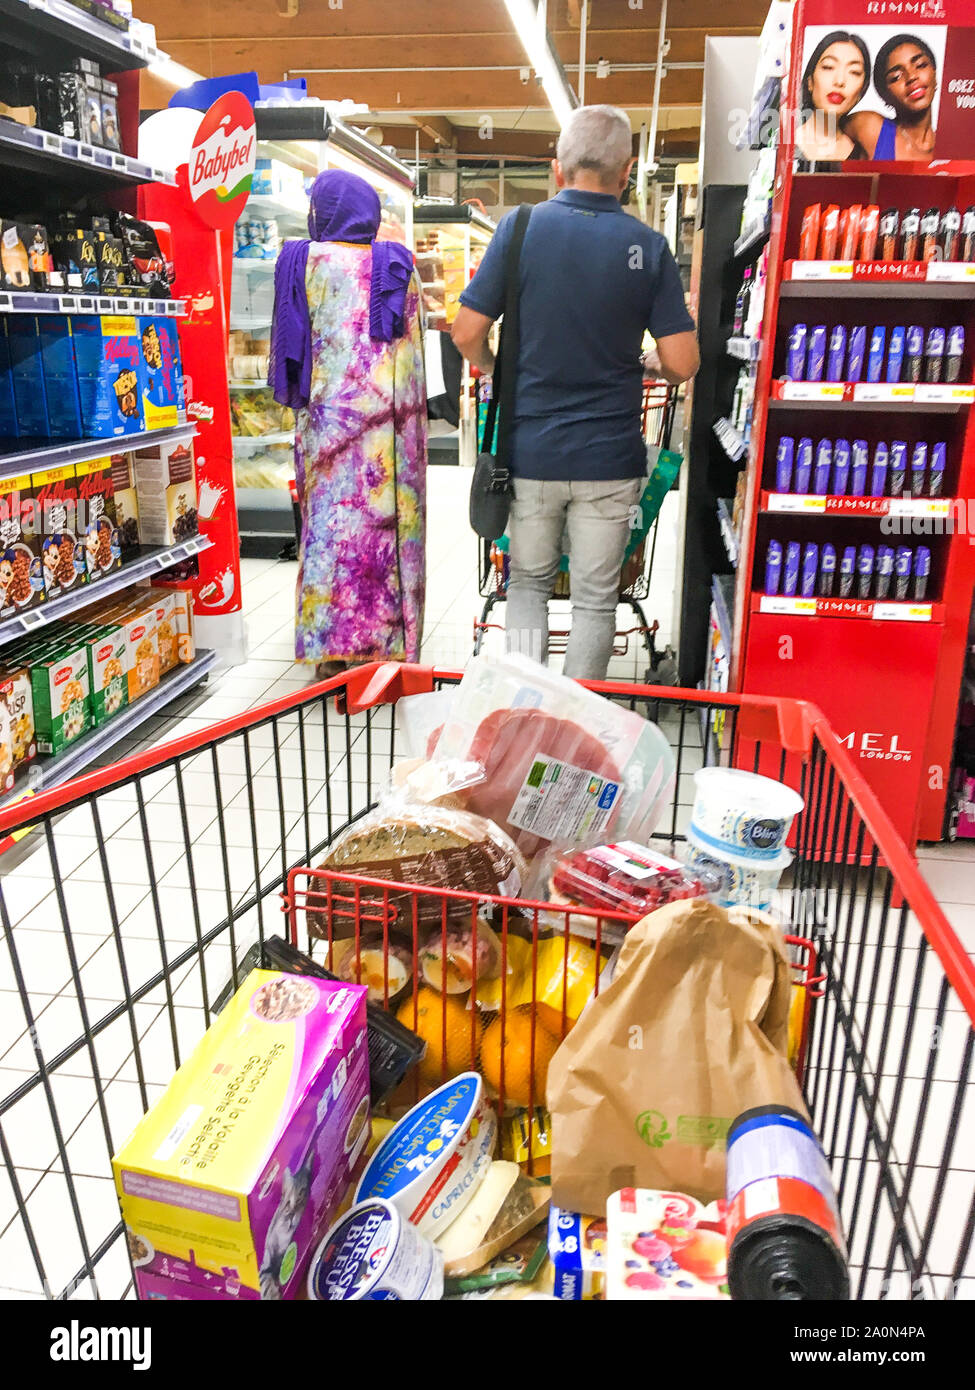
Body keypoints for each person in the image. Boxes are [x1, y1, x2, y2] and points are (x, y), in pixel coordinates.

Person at [451, 104, 698, 682]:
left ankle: (529, 711)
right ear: (628, 171)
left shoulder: (520, 228)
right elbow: (684, 363)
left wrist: (496, 367)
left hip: (530, 452)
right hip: (609, 460)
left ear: (556, 170)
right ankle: (576, 732)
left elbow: (466, 332)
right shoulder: (649, 247)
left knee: (529, 585)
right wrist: (645, 361)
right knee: (594, 598)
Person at [269, 169, 427, 680]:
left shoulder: (301, 261)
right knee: (382, 532)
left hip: (325, 429)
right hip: (385, 433)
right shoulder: (398, 267)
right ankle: (384, 644)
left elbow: (291, 343)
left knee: (328, 530)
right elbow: (414, 362)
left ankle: (328, 646)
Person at [844, 33, 938, 161]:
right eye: (896, 77)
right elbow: (821, 127)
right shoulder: (869, 127)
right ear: (884, 95)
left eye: (920, 65)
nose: (911, 77)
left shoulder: (952, 147)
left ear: (934, 73)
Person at [796, 30, 871, 164]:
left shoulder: (863, 154)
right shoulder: (782, 143)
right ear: (810, 81)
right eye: (828, 67)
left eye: (854, 72)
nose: (840, 81)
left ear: (861, 91)